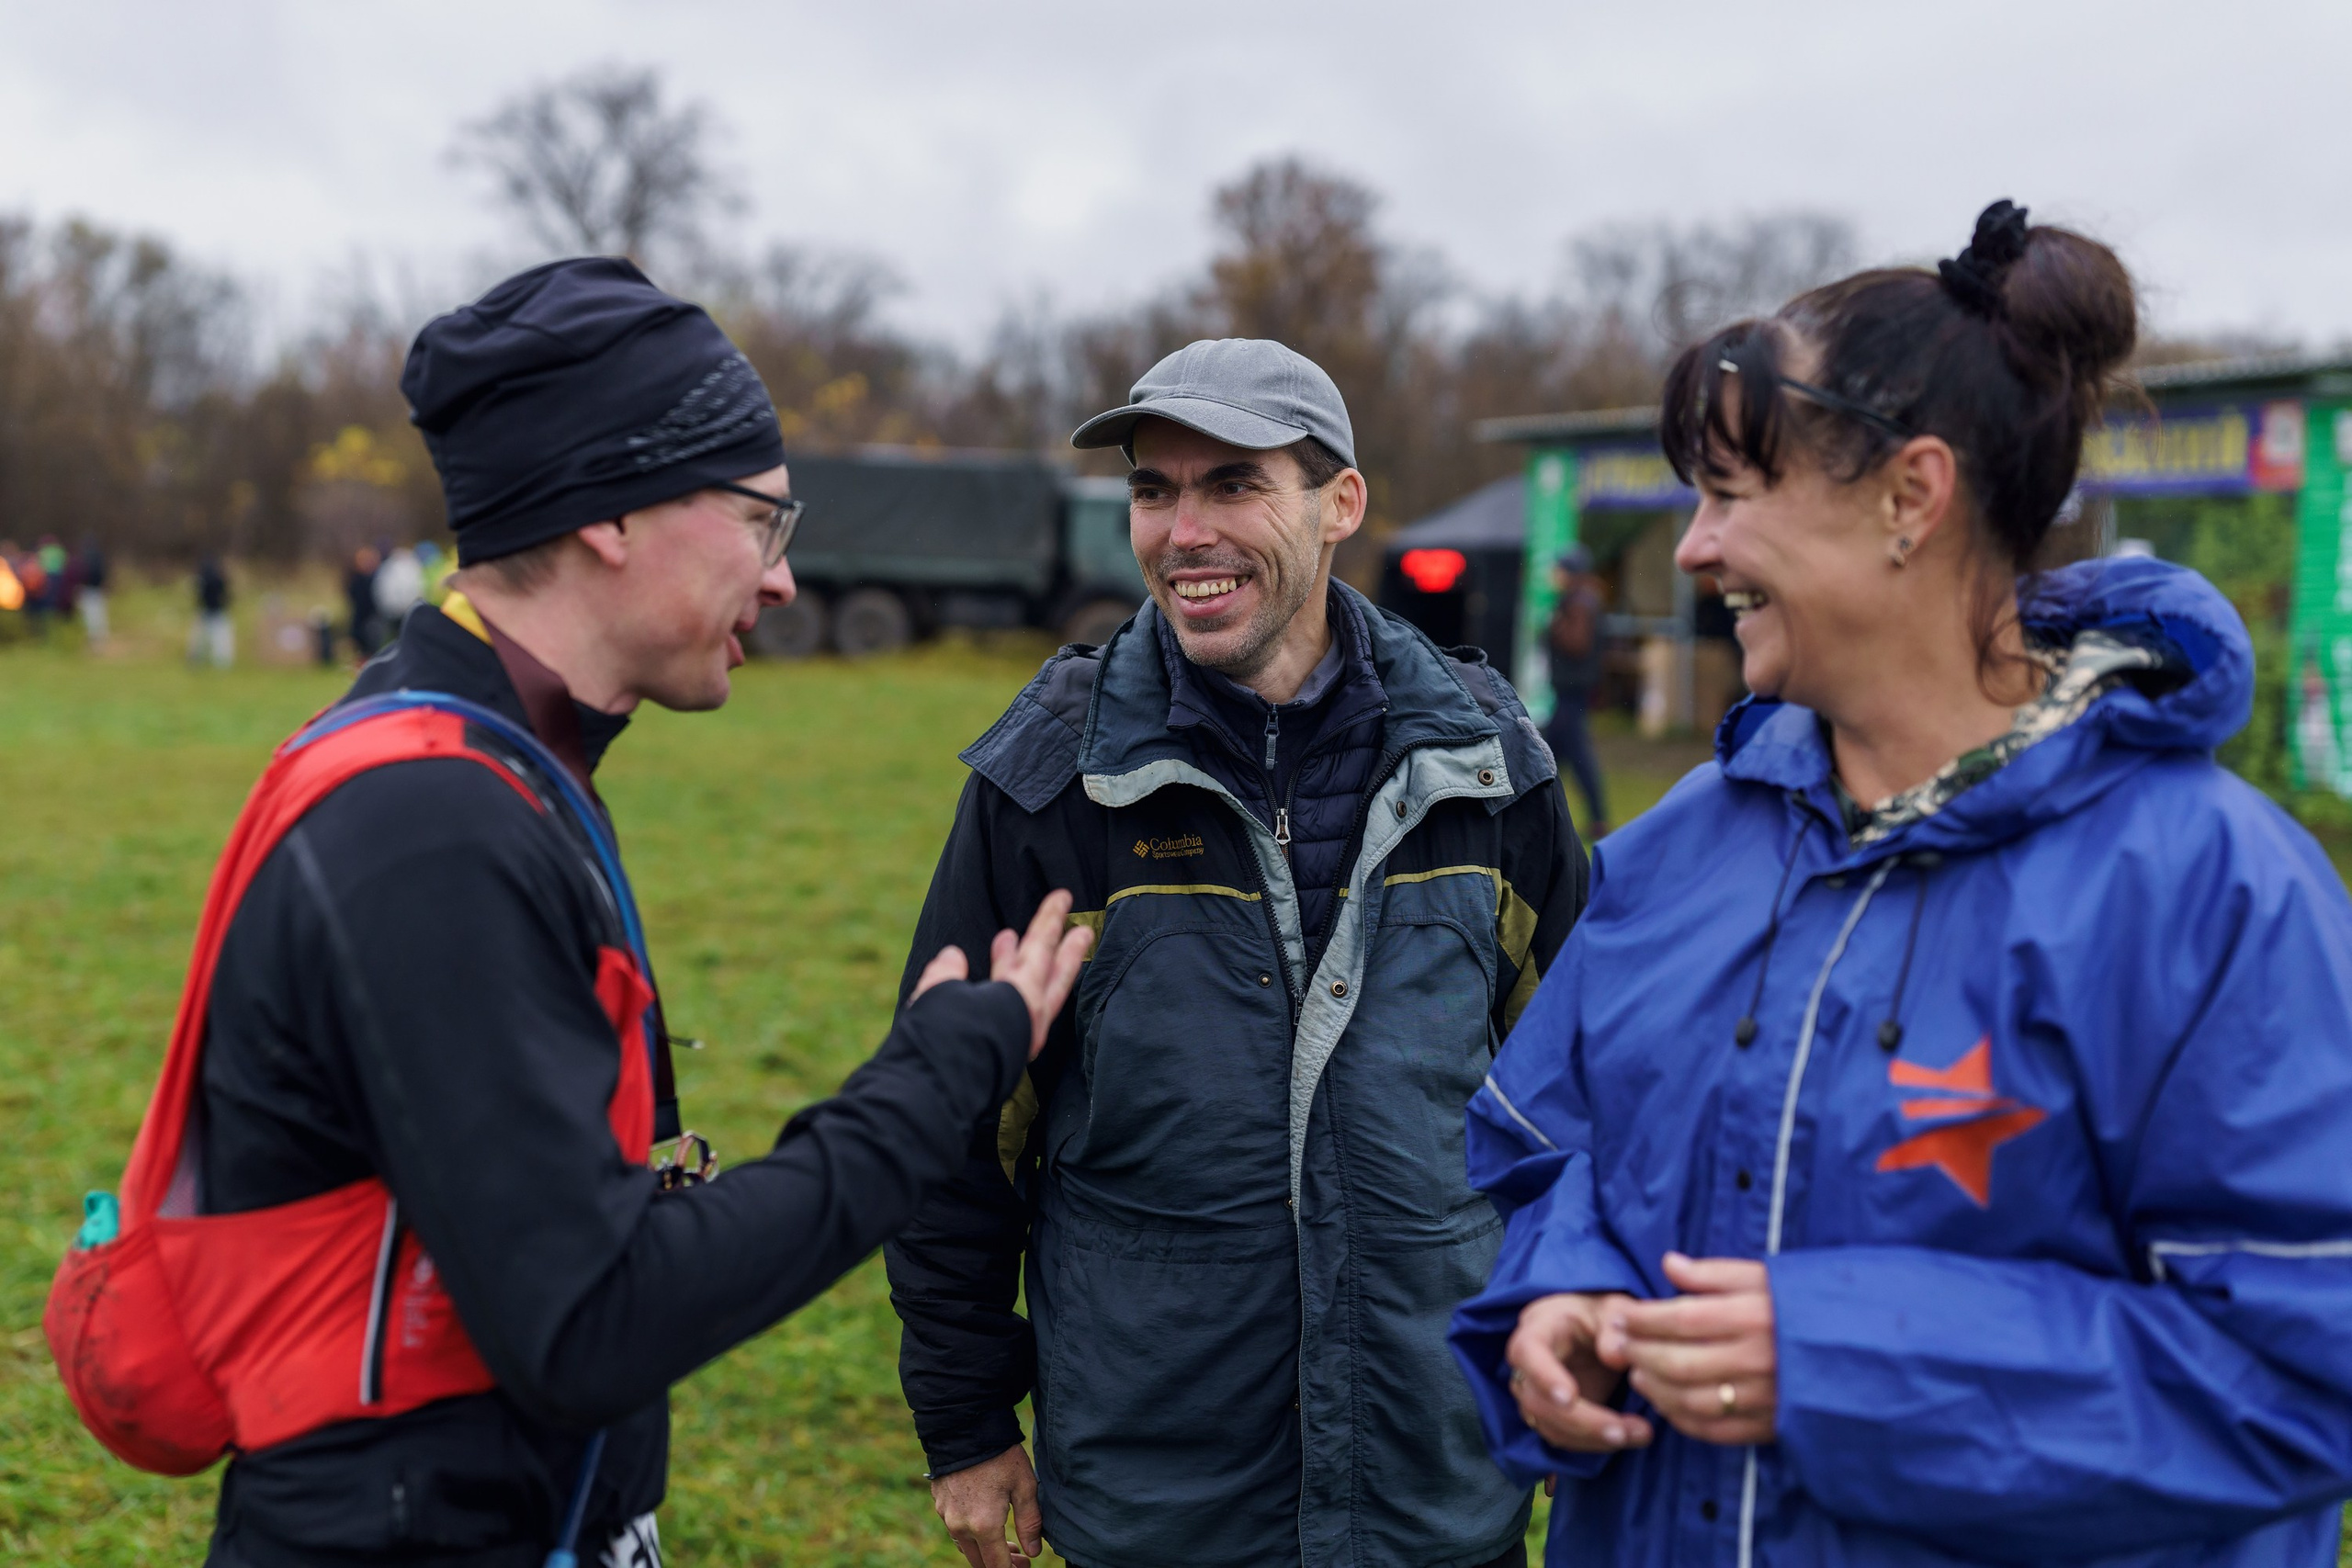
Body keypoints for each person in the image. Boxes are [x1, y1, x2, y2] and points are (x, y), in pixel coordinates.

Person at [44, 257, 1092, 1568]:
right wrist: (929, 1084)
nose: (783, 579)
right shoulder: (431, 823)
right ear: (612, 514)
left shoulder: (479, 750)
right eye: (761, 520)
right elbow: (584, 1322)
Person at [1449, 201, 2352, 1566]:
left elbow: (2298, 1369)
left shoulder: (2208, 891)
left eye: (1732, 494)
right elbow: (1545, 1153)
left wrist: (1840, 1363)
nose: (1692, 548)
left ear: (1909, 498)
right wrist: (1560, 1298)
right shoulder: (1682, 845)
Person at [886, 338, 1589, 1568]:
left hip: (1438, 1487)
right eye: (1153, 490)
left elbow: (1591, 1105)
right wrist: (966, 1419)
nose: (1183, 532)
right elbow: (950, 1127)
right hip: (1164, 1499)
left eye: (1233, 484)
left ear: (1340, 503)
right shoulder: (1051, 785)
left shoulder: (1490, 769)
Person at [1543, 546, 1609, 836]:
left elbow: (1577, 644)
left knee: (1572, 758)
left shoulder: (1579, 603)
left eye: (1559, 569)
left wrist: (1555, 627)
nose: (1554, 574)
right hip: (1570, 692)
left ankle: (1595, 820)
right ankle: (1552, 817)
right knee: (1553, 757)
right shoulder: (1582, 599)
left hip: (1571, 693)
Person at [188, 556, 232, 668]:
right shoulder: (220, 579)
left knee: (199, 638)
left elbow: (199, 595)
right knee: (220, 639)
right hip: (217, 611)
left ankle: (196, 660)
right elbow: (226, 595)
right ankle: (221, 662)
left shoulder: (202, 579)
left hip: (206, 611)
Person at [345, 546, 382, 659]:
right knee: (361, 647)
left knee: (372, 646)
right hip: (360, 618)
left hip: (372, 618)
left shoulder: (376, 578)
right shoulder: (356, 579)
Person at [75, 536, 108, 646]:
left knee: (90, 614)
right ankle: (101, 636)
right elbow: (103, 572)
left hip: (88, 588)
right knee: (99, 613)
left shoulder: (84, 557)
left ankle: (93, 637)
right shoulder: (99, 556)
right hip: (98, 588)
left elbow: (81, 574)